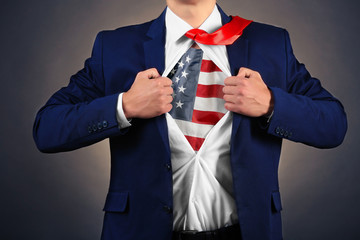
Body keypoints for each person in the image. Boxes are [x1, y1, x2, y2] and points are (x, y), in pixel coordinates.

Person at [33, 0, 347, 239]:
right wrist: (123, 106)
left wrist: (272, 104)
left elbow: (333, 125)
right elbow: (47, 129)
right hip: (140, 231)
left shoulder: (271, 43)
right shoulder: (114, 47)